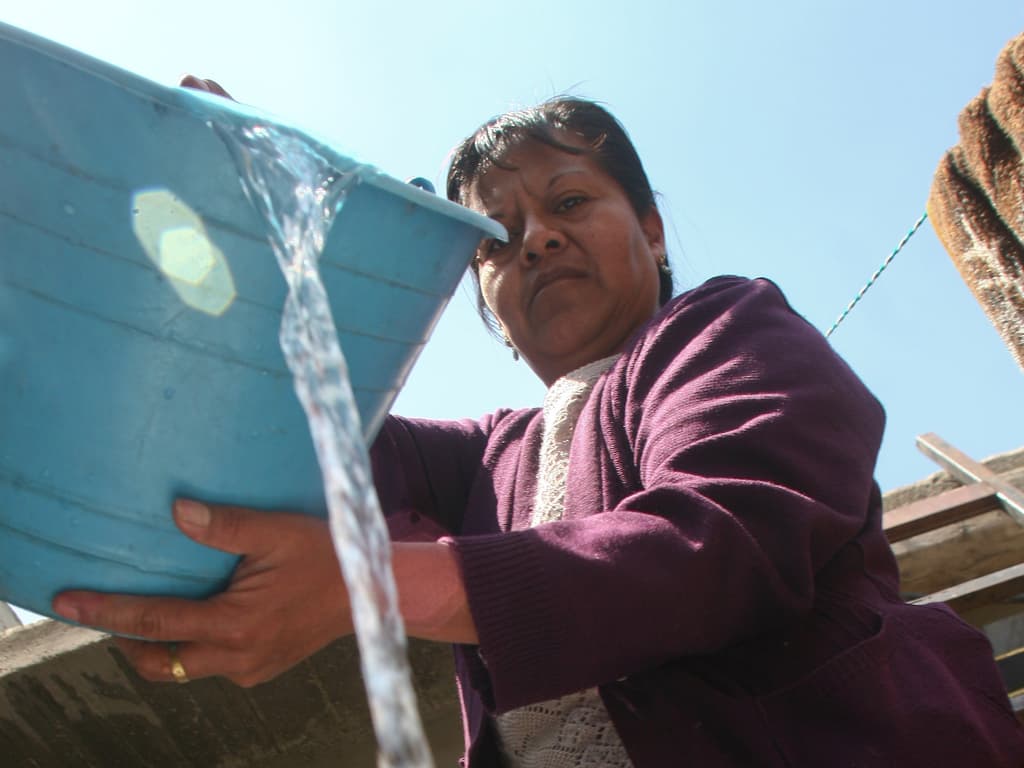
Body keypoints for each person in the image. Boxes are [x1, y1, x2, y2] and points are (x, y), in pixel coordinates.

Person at [53, 87, 1024, 767]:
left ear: (649, 228)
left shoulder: (722, 329)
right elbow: (299, 437)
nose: (538, 238)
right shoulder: (487, 456)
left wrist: (378, 579)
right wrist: (227, 225)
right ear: (478, 298)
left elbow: (724, 541)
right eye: (498, 238)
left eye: (569, 201)